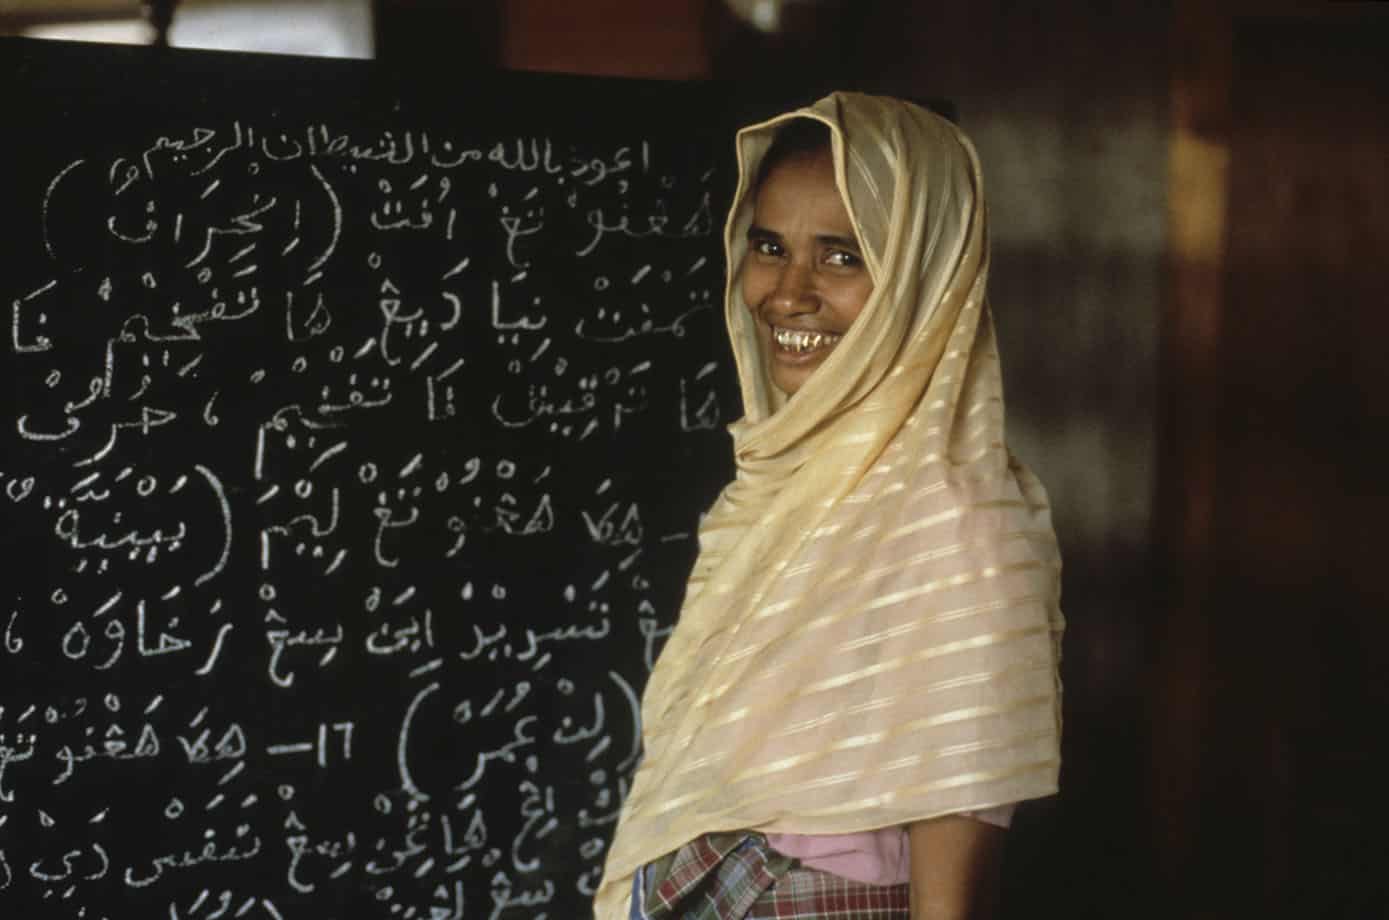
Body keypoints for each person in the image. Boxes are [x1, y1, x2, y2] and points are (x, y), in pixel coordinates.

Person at [593, 91, 1065, 920]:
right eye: (768, 246)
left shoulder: (956, 512)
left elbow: (960, 802)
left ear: (923, 274)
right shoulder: (787, 478)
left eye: (842, 257)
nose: (786, 293)